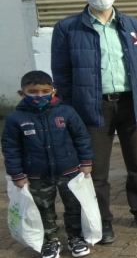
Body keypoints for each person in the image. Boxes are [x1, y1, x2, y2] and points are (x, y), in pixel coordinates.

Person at [51, 0, 137, 244]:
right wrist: (67, 112)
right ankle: (101, 221)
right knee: (96, 170)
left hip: (133, 103)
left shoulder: (134, 25)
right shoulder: (67, 28)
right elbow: (62, 74)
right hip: (92, 108)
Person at [1, 71, 94, 258]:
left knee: (74, 205)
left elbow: (81, 137)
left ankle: (75, 237)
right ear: (22, 93)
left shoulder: (66, 112)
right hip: (37, 175)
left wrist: (86, 162)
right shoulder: (15, 119)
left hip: (69, 171)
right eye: (33, 92)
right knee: (43, 208)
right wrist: (17, 174)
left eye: (45, 91)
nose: (39, 96)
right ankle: (51, 241)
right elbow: (10, 148)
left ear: (53, 91)